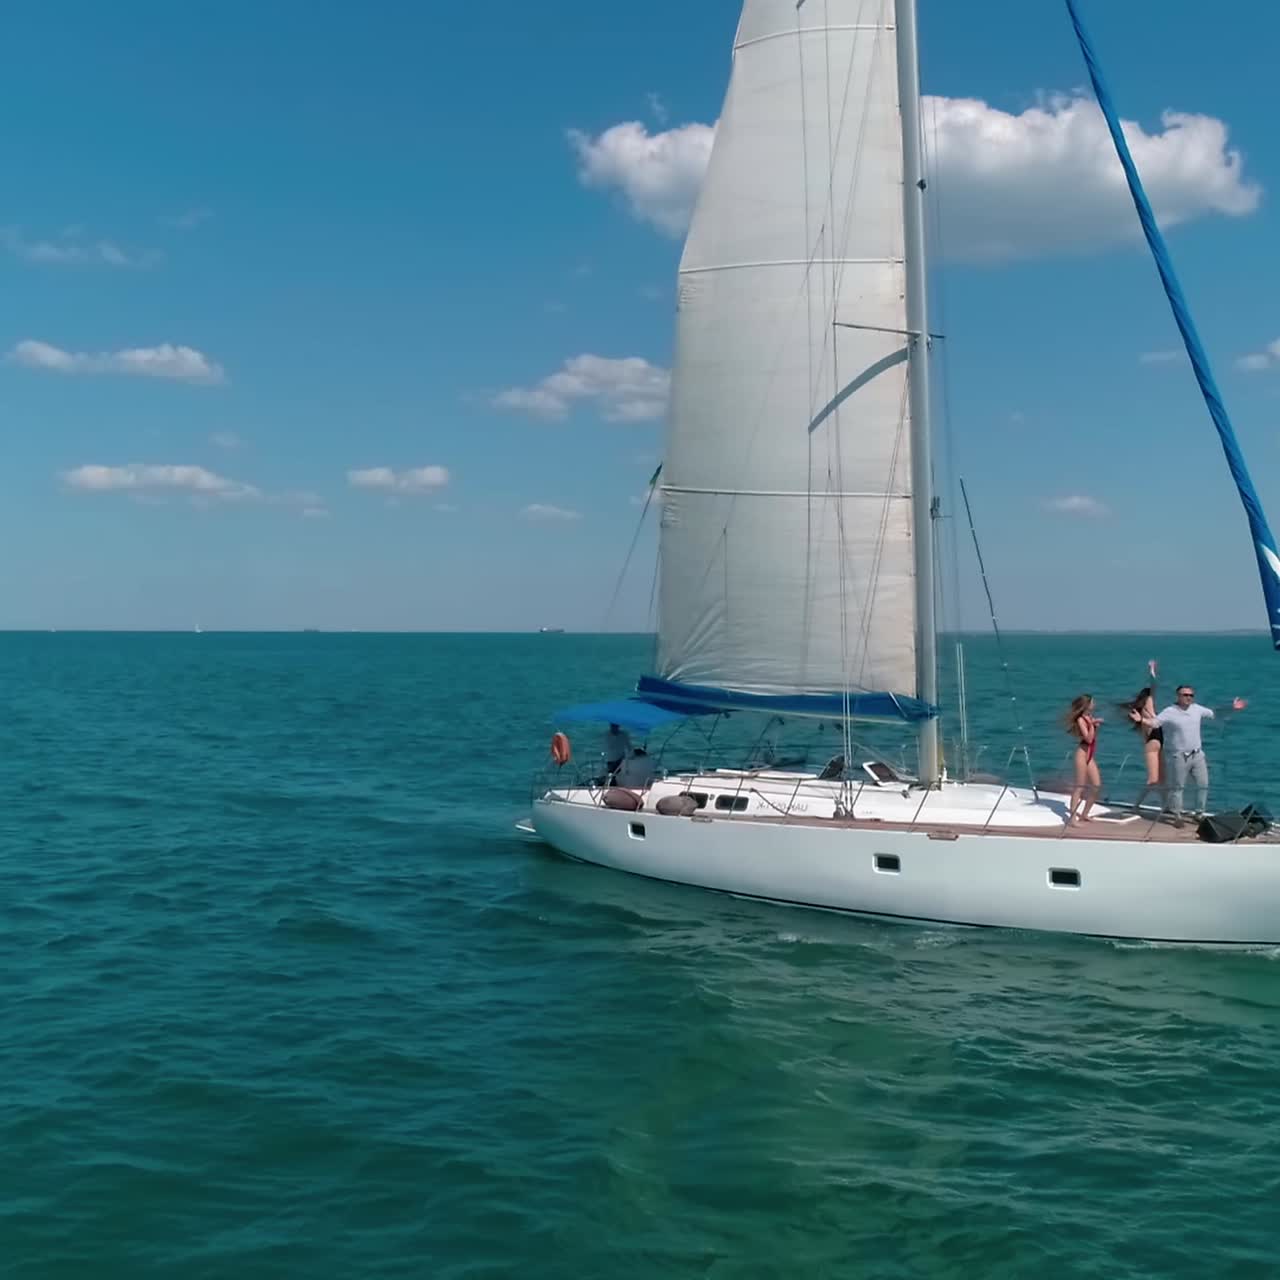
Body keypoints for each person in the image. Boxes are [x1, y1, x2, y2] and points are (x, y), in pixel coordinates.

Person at [1153, 684, 1247, 826]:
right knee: (1178, 787)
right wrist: (1141, 720)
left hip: (1197, 755)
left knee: (1203, 785)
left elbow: (1214, 714)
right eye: (1185, 695)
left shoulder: (1197, 709)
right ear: (1178, 696)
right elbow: (1155, 723)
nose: (1188, 698)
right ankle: (1177, 815)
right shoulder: (1169, 711)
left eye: (1191, 695)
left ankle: (1199, 813)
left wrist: (1231, 707)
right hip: (1179, 756)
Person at [1120, 659, 1165, 813]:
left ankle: (1165, 806)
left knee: (1162, 780)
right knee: (1153, 780)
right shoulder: (1147, 709)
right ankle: (1136, 805)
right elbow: (1154, 684)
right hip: (1153, 744)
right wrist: (1152, 669)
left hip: (1160, 743)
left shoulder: (1145, 712)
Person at [1063, 694, 1102, 824]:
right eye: (1092, 702)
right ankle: (1072, 818)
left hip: (1090, 755)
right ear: (1087, 704)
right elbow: (1088, 739)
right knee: (1079, 786)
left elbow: (1093, 738)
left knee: (1096, 786)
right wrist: (1092, 725)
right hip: (1082, 754)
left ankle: (1085, 814)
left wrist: (1094, 725)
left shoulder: (1089, 718)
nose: (1094, 704)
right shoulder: (1081, 720)